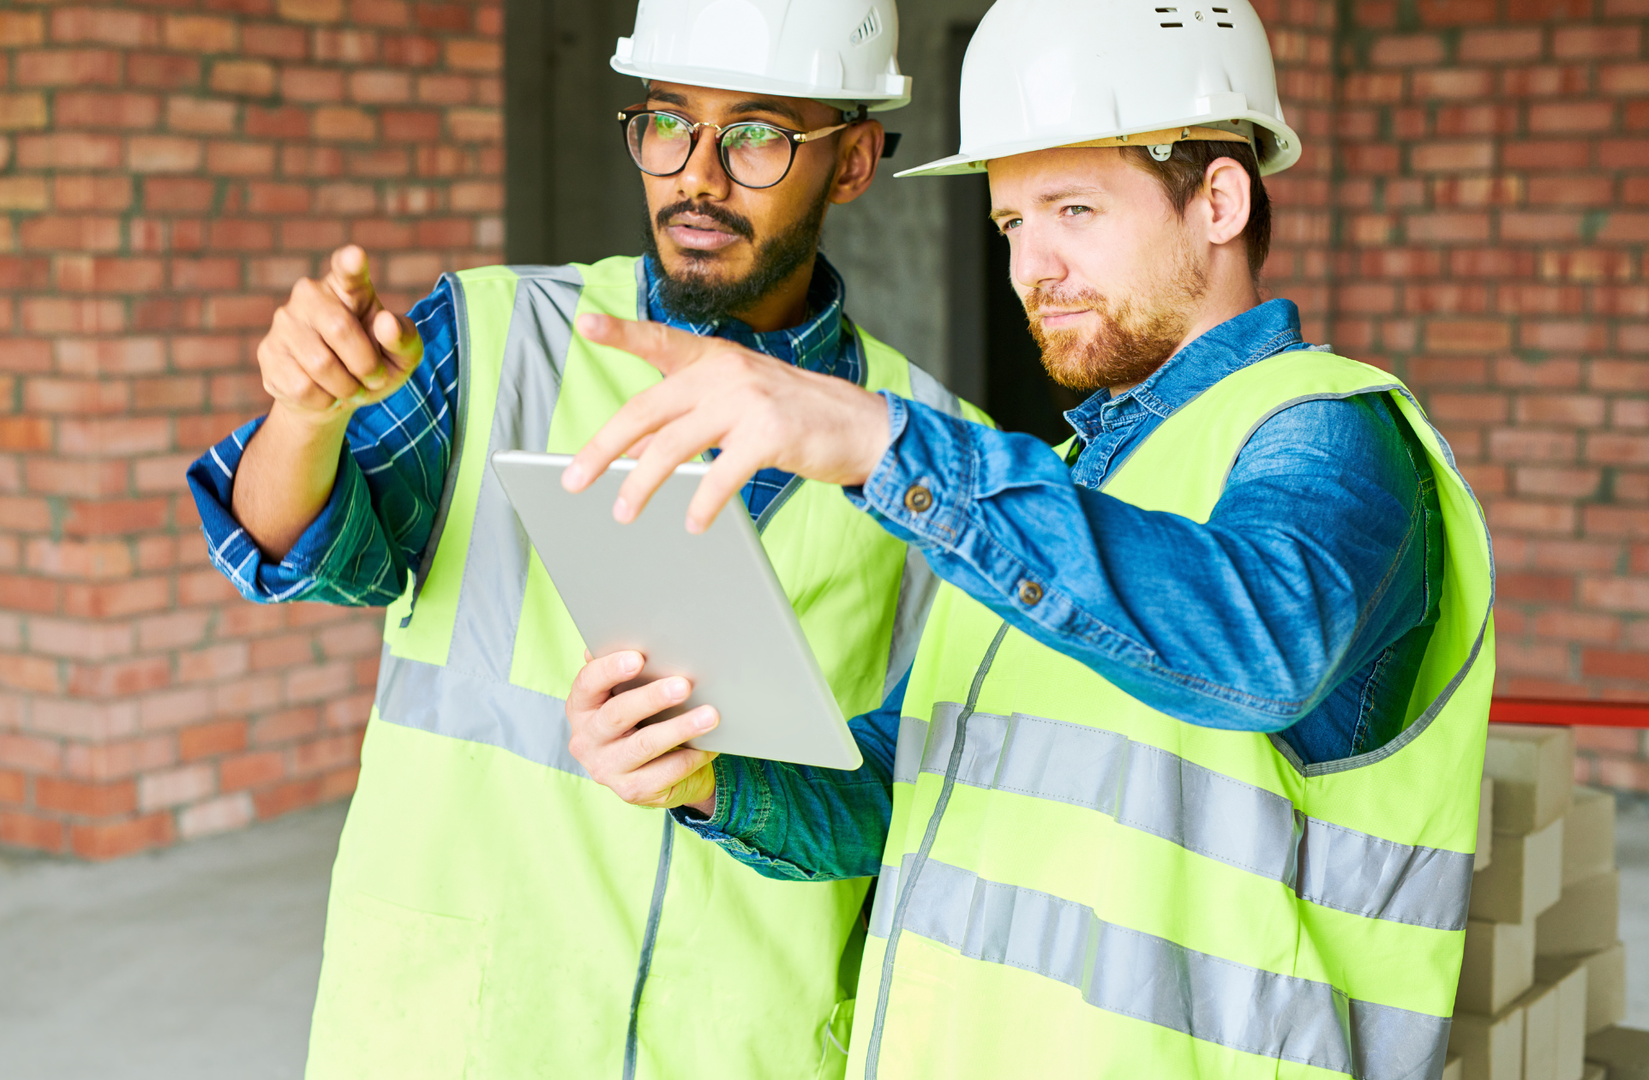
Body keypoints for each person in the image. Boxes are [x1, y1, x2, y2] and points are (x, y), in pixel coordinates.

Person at [560, 1, 1495, 1077]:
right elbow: (902, 787)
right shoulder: (1063, 483)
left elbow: (1261, 646)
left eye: (1076, 210)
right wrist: (708, 778)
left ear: (1220, 201)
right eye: (1012, 224)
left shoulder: (1330, 434)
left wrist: (876, 439)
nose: (1031, 267)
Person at [186, 1, 984, 1077]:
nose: (696, 175)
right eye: (668, 123)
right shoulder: (502, 336)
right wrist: (307, 412)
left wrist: (721, 785)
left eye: (754, 136)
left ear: (853, 162)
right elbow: (295, 554)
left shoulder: (932, 456)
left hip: (737, 1051)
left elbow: (913, 804)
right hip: (456, 1039)